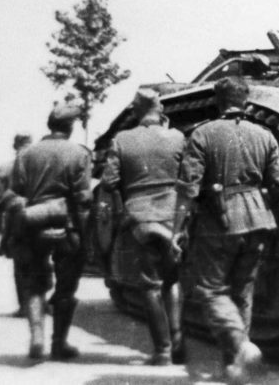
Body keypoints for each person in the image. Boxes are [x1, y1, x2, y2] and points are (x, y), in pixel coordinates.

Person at [172, 77, 279, 384]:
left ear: (217, 101)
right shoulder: (264, 134)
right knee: (242, 291)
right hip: (258, 219)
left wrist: (177, 229)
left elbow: (188, 188)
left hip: (220, 219)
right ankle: (234, 367)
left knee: (211, 290)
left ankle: (240, 346)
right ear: (247, 101)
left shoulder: (203, 133)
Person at [101, 89, 186, 366]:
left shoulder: (122, 139)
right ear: (160, 108)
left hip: (140, 218)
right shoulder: (177, 137)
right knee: (172, 280)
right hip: (172, 217)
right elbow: (188, 177)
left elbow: (109, 182)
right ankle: (178, 342)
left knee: (150, 285)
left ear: (136, 110)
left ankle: (162, 351)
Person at [9, 104, 92, 360]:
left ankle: (36, 337)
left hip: (34, 222)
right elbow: (83, 197)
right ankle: (58, 344)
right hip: (67, 225)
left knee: (34, 285)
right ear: (70, 127)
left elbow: (19, 188)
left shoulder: (26, 154)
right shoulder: (79, 153)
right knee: (66, 288)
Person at [0, 132, 33, 317]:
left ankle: (25, 306)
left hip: (17, 220)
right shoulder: (42, 166)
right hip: (43, 215)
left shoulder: (6, 168)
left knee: (20, 264)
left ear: (15, 146)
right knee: (42, 261)